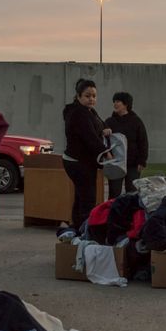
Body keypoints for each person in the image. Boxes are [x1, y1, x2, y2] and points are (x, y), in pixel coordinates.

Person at [62, 78, 111, 231]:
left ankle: (77, 228)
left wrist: (105, 129)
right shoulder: (78, 113)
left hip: (83, 162)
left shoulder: (88, 111)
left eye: (94, 96)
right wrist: (106, 153)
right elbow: (89, 137)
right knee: (88, 198)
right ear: (78, 96)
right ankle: (85, 231)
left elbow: (99, 125)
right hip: (77, 162)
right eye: (87, 96)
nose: (91, 99)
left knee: (81, 195)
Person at [105, 91, 149, 197]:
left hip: (133, 164)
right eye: (114, 101)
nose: (115, 104)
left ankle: (130, 214)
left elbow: (143, 141)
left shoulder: (136, 121)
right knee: (114, 193)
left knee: (132, 193)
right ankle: (113, 213)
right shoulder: (109, 122)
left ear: (126, 104)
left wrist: (142, 161)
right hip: (116, 163)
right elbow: (105, 141)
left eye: (118, 101)